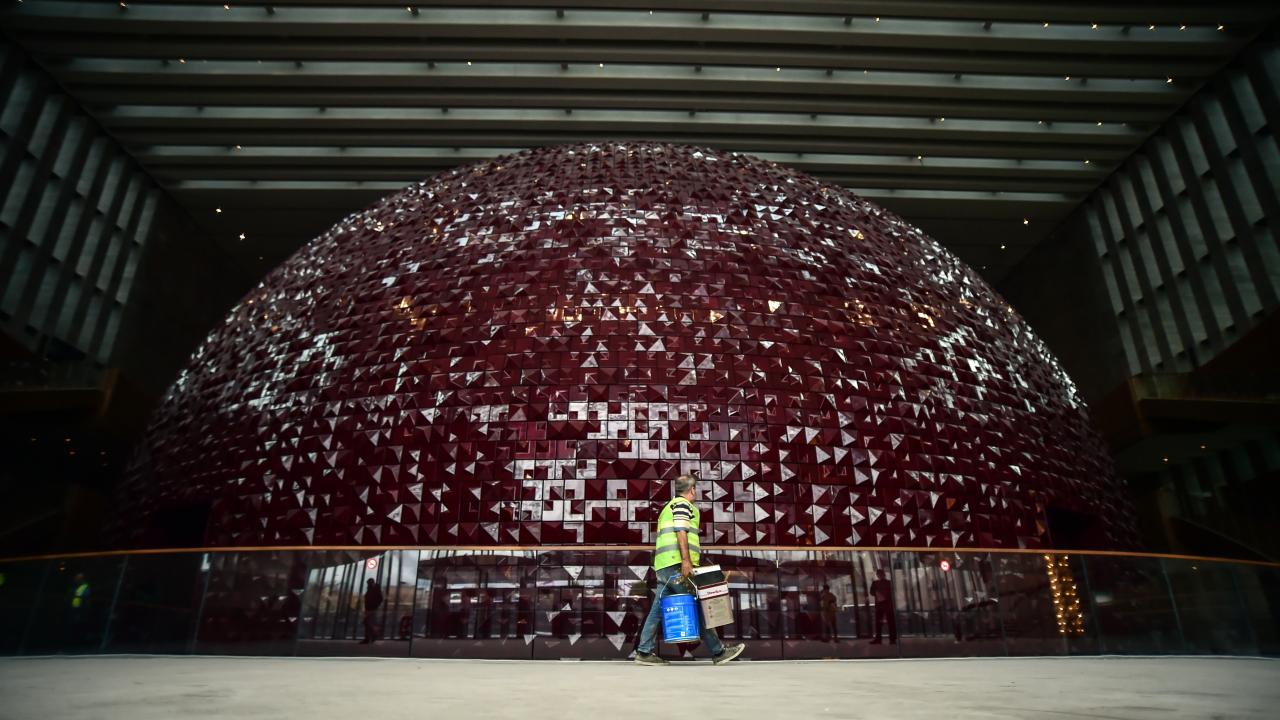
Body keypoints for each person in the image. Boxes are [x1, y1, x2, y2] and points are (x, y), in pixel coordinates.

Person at [635, 473, 745, 666]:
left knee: (657, 611)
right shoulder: (683, 505)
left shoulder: (668, 507)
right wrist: (686, 560)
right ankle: (718, 652)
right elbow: (681, 531)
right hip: (677, 565)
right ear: (692, 490)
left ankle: (644, 652)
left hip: (664, 566)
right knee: (699, 603)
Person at [869, 568, 897, 645]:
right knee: (887, 622)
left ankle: (882, 639)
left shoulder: (876, 583)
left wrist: (878, 594)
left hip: (883, 605)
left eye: (879, 574)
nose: (879, 575)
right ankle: (891, 639)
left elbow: (872, 592)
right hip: (885, 605)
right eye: (879, 574)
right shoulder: (887, 583)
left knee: (883, 623)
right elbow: (872, 592)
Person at [361, 578, 383, 644]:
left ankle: (371, 637)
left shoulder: (375, 589)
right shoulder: (371, 589)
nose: (368, 585)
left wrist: (374, 606)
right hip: (369, 609)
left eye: (369, 583)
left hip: (371, 609)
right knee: (368, 623)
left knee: (369, 623)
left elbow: (380, 599)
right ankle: (371, 637)